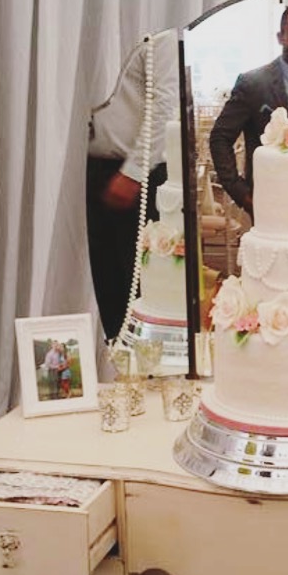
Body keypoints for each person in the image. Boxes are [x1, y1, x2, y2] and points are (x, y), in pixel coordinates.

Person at [86, 29, 179, 341]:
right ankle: (121, 368)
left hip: (134, 174)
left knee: (135, 282)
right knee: (106, 276)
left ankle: (145, 371)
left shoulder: (165, 34)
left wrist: (135, 171)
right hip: (100, 167)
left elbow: (164, 103)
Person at [209, 4, 288, 221]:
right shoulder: (252, 84)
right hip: (266, 203)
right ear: (281, 37)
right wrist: (242, 194)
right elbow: (220, 138)